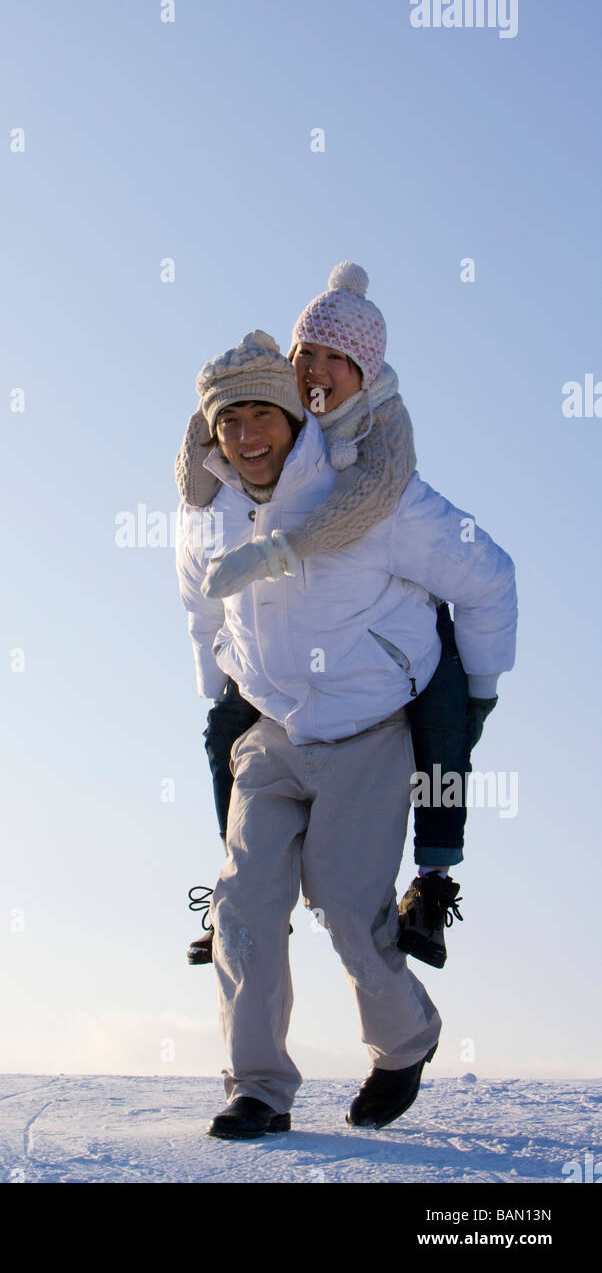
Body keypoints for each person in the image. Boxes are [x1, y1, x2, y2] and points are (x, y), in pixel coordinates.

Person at [175, 332, 517, 1136]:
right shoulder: (207, 510)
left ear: (295, 417)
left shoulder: (371, 492)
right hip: (271, 728)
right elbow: (198, 607)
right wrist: (217, 687)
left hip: (367, 729)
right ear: (211, 432)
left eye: (264, 413)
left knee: (346, 902)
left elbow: (489, 574)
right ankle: (256, 1087)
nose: (248, 436)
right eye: (230, 421)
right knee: (244, 905)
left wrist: (476, 691)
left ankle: (404, 1042)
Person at [177, 264, 497, 971]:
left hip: (404, 624)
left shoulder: (382, 425)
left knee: (442, 740)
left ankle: (434, 884)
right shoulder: (276, 414)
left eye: (336, 359)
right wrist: (200, 467)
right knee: (224, 728)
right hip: (287, 652)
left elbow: (377, 500)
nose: (316, 370)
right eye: (306, 354)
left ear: (365, 370)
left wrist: (483, 683)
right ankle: (241, 888)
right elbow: (211, 428)